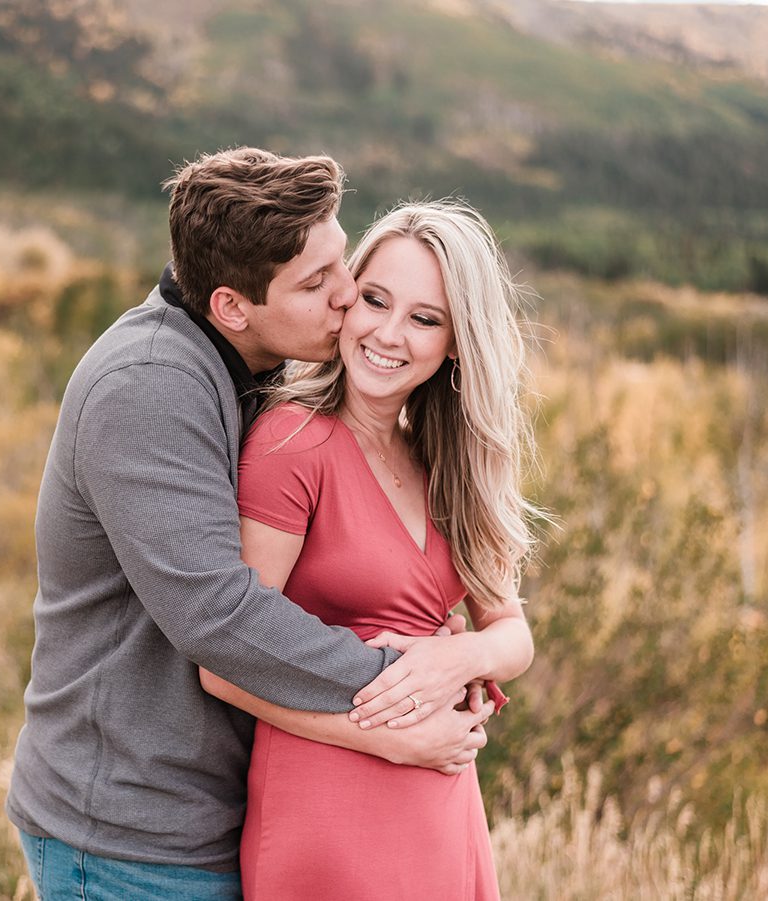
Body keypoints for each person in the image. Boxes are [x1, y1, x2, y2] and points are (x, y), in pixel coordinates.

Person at [6, 151, 496, 900]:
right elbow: (220, 616)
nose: (347, 297)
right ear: (234, 305)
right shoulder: (147, 388)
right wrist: (407, 685)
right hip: (128, 831)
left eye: (341, 264)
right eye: (315, 284)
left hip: (210, 811)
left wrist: (456, 654)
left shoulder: (254, 366)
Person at [201, 201, 543, 899]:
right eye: (374, 300)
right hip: (325, 797)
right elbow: (223, 666)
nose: (388, 333)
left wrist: (460, 654)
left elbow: (513, 634)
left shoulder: (446, 462)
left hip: (442, 798)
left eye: (424, 317)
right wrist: (386, 738)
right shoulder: (291, 443)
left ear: (456, 341)